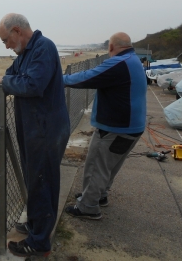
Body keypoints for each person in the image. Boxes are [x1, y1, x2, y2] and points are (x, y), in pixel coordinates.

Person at [0, 13, 70, 257]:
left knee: (42, 182)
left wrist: (5, 83)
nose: (6, 46)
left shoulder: (43, 48)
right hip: (34, 130)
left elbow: (32, 85)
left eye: (6, 40)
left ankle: (39, 243)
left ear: (17, 31)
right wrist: (6, 80)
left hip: (47, 130)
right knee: (35, 180)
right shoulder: (25, 54)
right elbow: (11, 73)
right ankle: (37, 225)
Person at [63, 32, 147, 220]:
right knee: (109, 166)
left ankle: (87, 207)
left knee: (96, 166)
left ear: (110, 47)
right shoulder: (133, 60)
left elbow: (87, 77)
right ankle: (98, 196)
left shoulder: (118, 63)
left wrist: (61, 80)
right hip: (133, 126)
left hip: (116, 127)